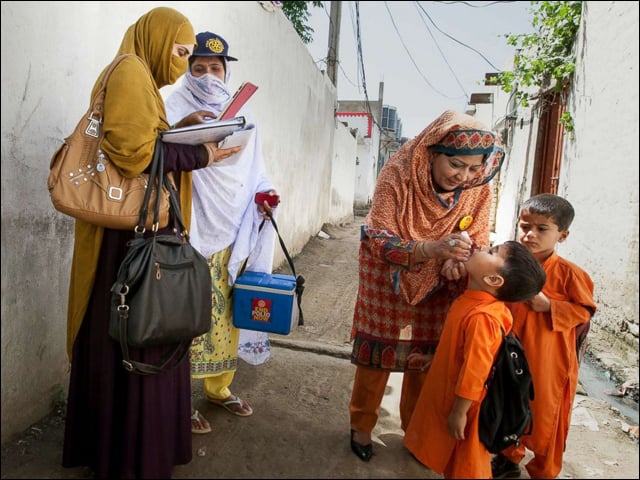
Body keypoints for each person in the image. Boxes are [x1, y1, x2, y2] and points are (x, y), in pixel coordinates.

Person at [61, 8, 241, 478]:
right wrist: (202, 152)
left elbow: (144, 139)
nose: (183, 63)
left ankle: (128, 449)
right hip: (128, 240)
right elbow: (133, 152)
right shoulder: (129, 72)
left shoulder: (139, 76)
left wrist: (185, 128)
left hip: (133, 236)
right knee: (139, 333)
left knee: (142, 335)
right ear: (156, 40)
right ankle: (128, 455)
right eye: (181, 53)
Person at [348, 109, 505, 462]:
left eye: (473, 168)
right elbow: (378, 238)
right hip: (387, 281)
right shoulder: (397, 176)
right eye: (455, 165)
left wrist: (456, 260)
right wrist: (430, 248)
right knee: (377, 358)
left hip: (440, 287)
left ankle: (414, 431)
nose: (463, 176)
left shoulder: (477, 189)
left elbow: (478, 235)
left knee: (425, 362)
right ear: (432, 153)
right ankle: (361, 426)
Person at [164, 31, 279, 434]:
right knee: (185, 316)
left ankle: (219, 389)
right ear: (187, 70)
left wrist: (265, 197)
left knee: (227, 313)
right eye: (199, 68)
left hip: (233, 230)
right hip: (186, 228)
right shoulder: (170, 102)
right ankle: (179, 399)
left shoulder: (246, 117)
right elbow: (156, 154)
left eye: (216, 68)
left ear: (227, 70)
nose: (209, 75)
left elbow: (255, 171)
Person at [403, 240, 546, 478]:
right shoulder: (473, 302)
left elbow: (475, 370)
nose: (481, 248)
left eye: (491, 252)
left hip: (467, 406)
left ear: (493, 280)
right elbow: (461, 349)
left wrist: (460, 412)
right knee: (451, 458)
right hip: (453, 395)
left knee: (468, 465)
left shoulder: (483, 317)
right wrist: (435, 359)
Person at [491, 194, 596, 479]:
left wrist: (551, 306)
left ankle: (544, 469)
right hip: (511, 351)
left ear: (562, 235)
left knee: (547, 415)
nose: (530, 234)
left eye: (542, 229)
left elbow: (585, 312)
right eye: (525, 226)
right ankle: (508, 457)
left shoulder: (570, 274)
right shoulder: (505, 264)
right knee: (509, 401)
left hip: (549, 361)